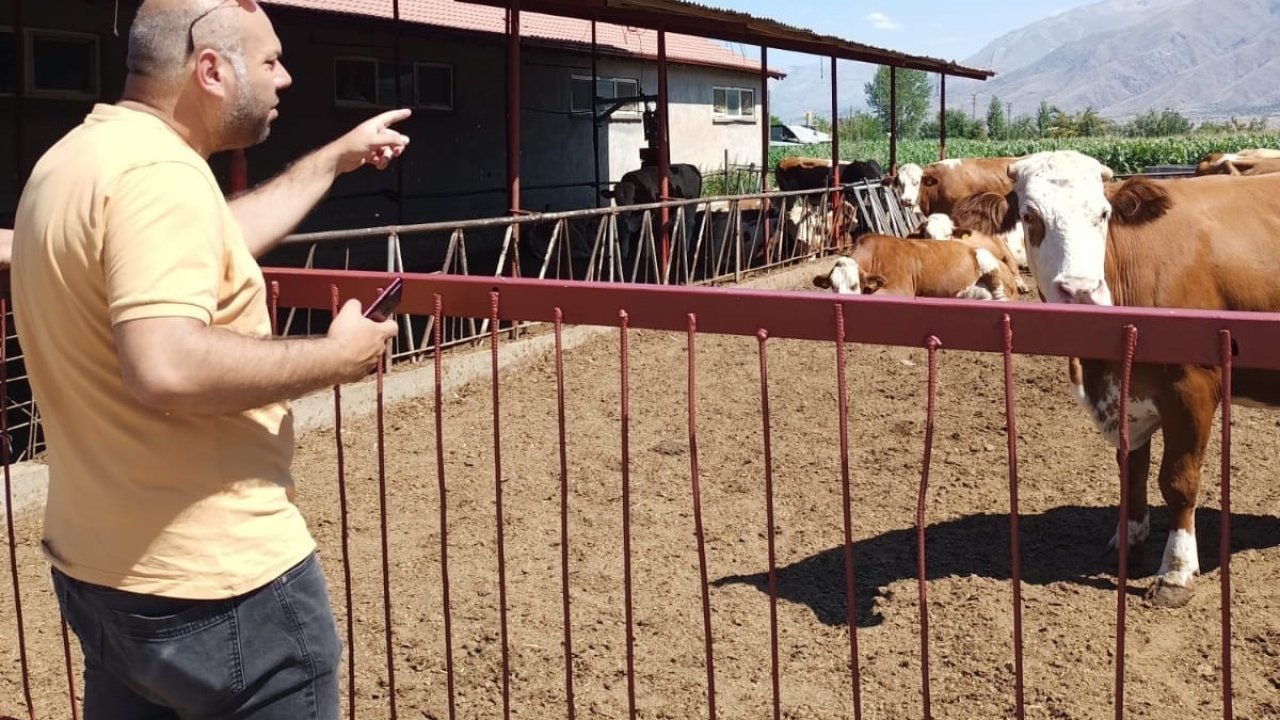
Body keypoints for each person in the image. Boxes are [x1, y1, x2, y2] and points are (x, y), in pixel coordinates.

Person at [10, 0, 410, 717]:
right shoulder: (160, 177)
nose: (285, 78)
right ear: (211, 70)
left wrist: (333, 159)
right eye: (269, 61)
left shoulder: (79, 159)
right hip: (221, 587)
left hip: (105, 575)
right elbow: (164, 364)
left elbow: (196, 243)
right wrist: (335, 355)